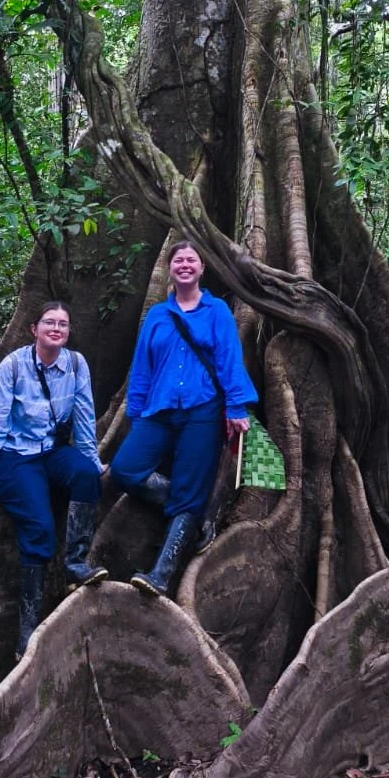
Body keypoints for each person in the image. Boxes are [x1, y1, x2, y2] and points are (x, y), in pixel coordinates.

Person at [0, 301, 105, 657]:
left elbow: (84, 418)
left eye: (63, 324)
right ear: (33, 329)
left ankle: (76, 563)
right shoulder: (14, 366)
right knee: (39, 529)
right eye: (49, 322)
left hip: (50, 451)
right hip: (14, 457)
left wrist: (93, 460)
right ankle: (27, 636)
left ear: (68, 332)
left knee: (84, 476)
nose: (56, 328)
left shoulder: (76, 365)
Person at [110, 239, 257, 597]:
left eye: (192, 260)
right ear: (170, 269)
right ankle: (190, 515)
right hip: (158, 410)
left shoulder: (217, 310)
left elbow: (229, 360)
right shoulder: (157, 316)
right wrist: (134, 412)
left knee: (192, 489)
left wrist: (236, 407)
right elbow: (141, 367)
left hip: (202, 411)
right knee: (125, 469)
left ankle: (160, 574)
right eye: (179, 260)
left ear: (202, 269)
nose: (185, 265)